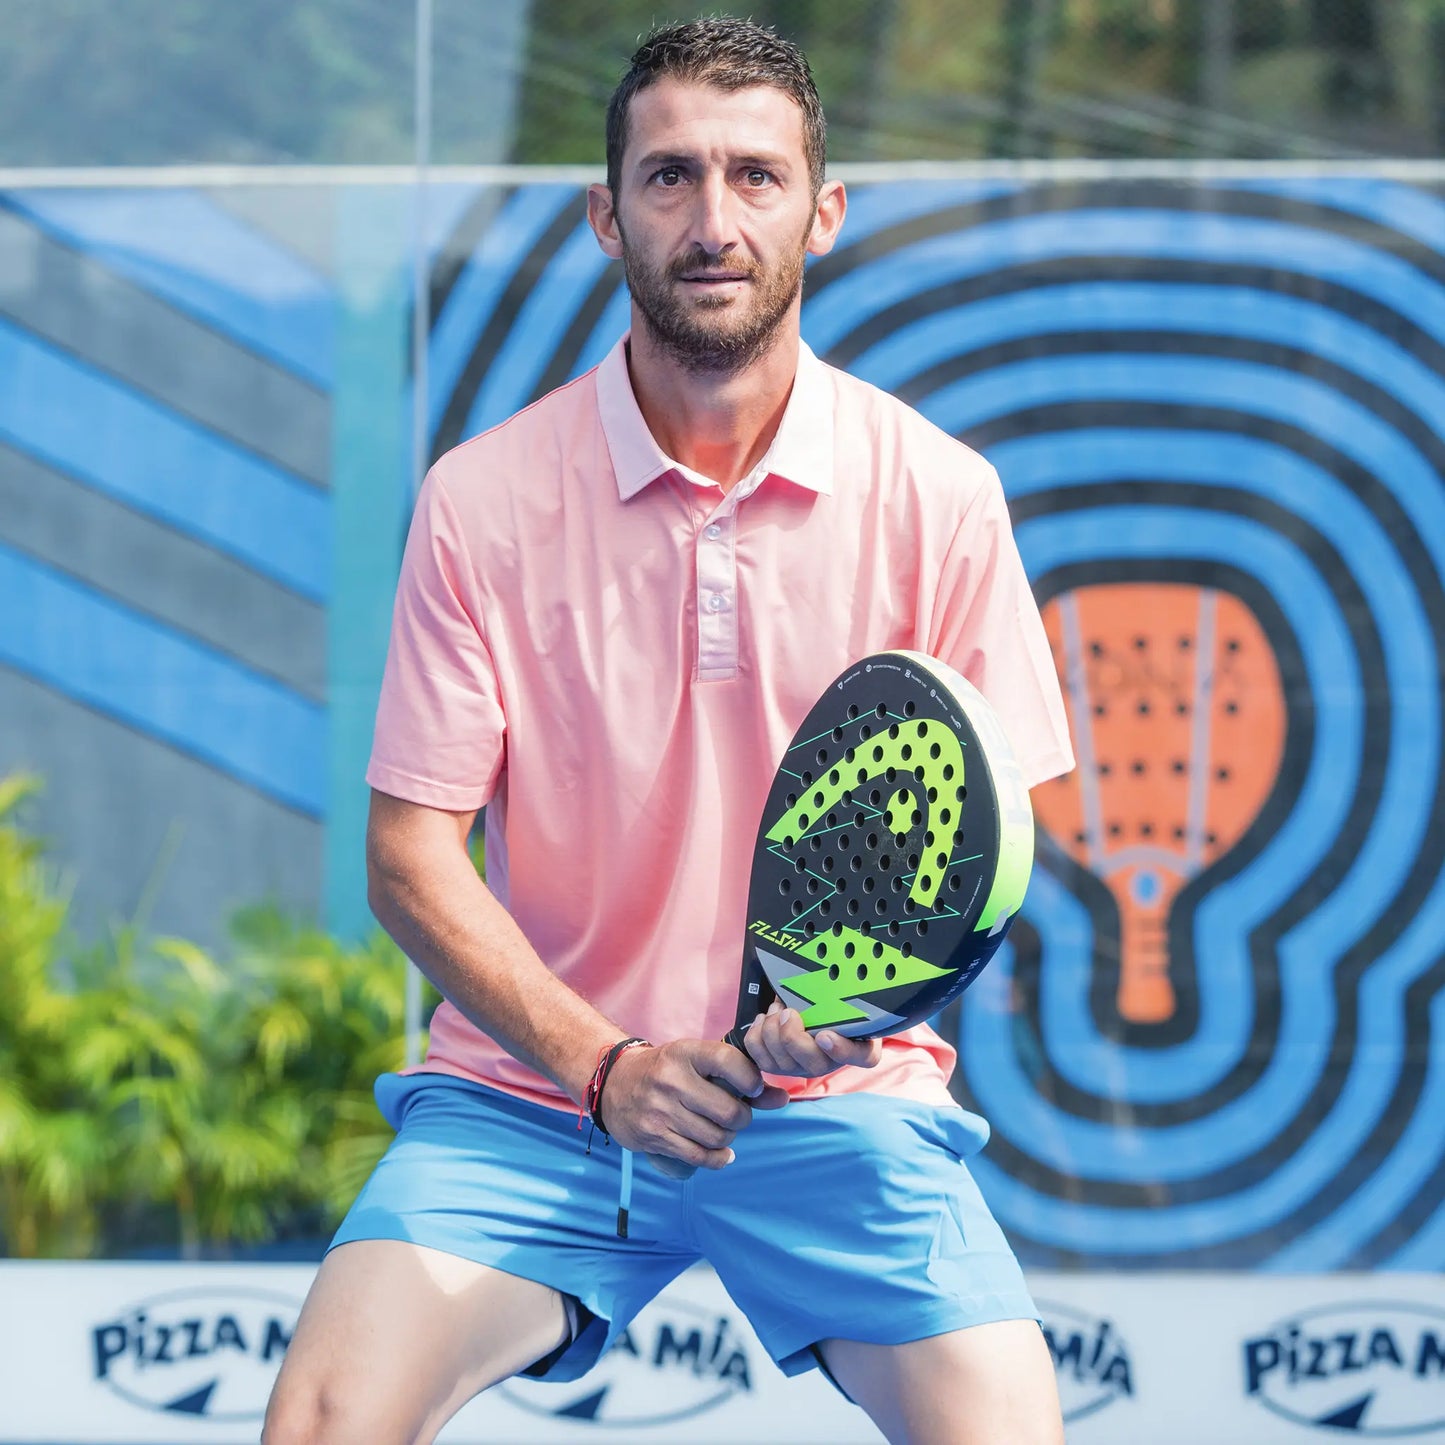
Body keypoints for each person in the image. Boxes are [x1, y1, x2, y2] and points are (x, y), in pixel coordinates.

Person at [264, 16, 1074, 1445]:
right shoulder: (482, 498)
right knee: (325, 1420)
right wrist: (602, 1063)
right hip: (531, 1105)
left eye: (756, 178)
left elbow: (1002, 834)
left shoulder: (941, 495)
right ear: (605, 213)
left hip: (837, 1110)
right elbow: (410, 856)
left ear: (821, 213)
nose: (713, 220)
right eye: (670, 177)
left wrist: (826, 1025)